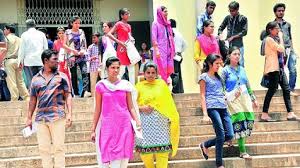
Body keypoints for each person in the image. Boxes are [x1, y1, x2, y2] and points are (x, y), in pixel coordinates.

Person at [91, 57, 141, 168]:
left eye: (118, 67)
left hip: (125, 126)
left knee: (123, 161)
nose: (116, 70)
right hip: (108, 127)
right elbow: (98, 109)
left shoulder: (125, 85)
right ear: (107, 69)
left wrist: (137, 122)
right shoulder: (101, 86)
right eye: (113, 67)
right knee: (112, 159)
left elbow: (131, 107)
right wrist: (93, 129)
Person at [25, 49, 72, 168]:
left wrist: (70, 114)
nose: (58, 62)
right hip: (41, 119)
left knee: (59, 148)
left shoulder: (62, 77)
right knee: (43, 149)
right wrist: (29, 118)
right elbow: (32, 100)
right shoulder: (35, 79)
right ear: (46, 61)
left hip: (58, 117)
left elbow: (68, 95)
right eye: (54, 59)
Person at [135, 62, 180, 168]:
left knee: (163, 153)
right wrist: (142, 108)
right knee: (145, 153)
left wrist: (171, 117)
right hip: (145, 124)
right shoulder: (138, 86)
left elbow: (169, 102)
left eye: (153, 72)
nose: (150, 75)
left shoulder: (161, 84)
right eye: (148, 72)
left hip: (161, 124)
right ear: (144, 74)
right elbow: (131, 104)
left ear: (156, 74)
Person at [222, 46, 258, 159]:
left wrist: (253, 98)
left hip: (244, 98)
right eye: (234, 54)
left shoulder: (242, 69)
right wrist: (225, 96)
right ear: (229, 56)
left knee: (249, 119)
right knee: (240, 121)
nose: (237, 56)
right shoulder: (225, 70)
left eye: (238, 54)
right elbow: (222, 86)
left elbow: (247, 84)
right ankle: (243, 151)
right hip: (233, 99)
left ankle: (229, 135)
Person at [198, 54, 234, 168]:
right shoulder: (204, 77)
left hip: (223, 107)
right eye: (217, 63)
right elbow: (203, 95)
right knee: (221, 134)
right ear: (210, 64)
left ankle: (205, 144)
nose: (219, 66)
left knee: (229, 135)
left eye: (220, 63)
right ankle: (219, 164)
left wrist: (233, 96)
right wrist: (205, 114)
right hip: (212, 108)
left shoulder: (219, 77)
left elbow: (223, 93)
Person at [260, 21, 299, 122]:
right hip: (273, 69)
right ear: (270, 30)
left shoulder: (274, 39)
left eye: (278, 28)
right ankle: (264, 114)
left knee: (286, 89)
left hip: (280, 69)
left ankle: (290, 113)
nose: (278, 30)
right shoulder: (268, 39)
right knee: (272, 90)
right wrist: (281, 37)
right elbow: (281, 49)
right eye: (276, 28)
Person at [273, 3, 298, 96]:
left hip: (289, 49)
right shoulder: (272, 25)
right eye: (279, 11)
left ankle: (290, 89)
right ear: (275, 12)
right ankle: (276, 89)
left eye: (282, 11)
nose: (281, 12)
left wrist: (293, 50)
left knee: (292, 69)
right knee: (278, 71)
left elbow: (290, 38)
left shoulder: (288, 24)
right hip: (278, 50)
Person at [107, 8, 136, 84]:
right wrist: (119, 42)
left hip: (129, 48)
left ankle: (132, 91)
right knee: (121, 69)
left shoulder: (129, 26)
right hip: (121, 49)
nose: (128, 15)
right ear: (122, 15)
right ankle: (114, 86)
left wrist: (132, 41)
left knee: (131, 69)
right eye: (126, 14)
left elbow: (129, 36)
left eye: (128, 14)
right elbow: (109, 34)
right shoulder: (118, 24)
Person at [64, 16, 91, 97]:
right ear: (72, 23)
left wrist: (84, 51)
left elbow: (84, 43)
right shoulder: (67, 32)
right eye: (76, 23)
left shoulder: (82, 31)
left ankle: (85, 91)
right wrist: (72, 51)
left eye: (79, 23)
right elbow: (64, 45)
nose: (77, 25)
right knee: (74, 75)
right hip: (72, 56)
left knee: (84, 72)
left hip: (82, 55)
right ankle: (76, 93)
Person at [18, 19, 48, 88]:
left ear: (27, 26)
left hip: (28, 62)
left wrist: (20, 61)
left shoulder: (24, 35)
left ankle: (33, 96)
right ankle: (43, 96)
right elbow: (46, 49)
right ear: (35, 25)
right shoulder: (41, 34)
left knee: (31, 81)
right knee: (42, 80)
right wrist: (46, 61)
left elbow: (22, 50)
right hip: (40, 61)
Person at [3, 24, 29, 101]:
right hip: (18, 60)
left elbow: (5, 50)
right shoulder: (19, 39)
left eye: (5, 29)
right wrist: (22, 62)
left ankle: (14, 98)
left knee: (11, 81)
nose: (4, 31)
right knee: (20, 81)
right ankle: (26, 97)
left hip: (9, 60)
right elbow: (23, 51)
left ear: (8, 30)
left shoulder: (6, 38)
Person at [218, 1, 248, 67]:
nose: (231, 12)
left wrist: (233, 37)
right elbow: (220, 28)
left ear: (237, 9)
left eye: (232, 11)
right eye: (230, 11)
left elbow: (244, 32)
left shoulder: (243, 18)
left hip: (238, 45)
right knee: (227, 65)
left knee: (240, 64)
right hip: (228, 46)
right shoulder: (228, 18)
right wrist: (220, 34)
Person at [152, 6, 175, 84]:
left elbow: (170, 37)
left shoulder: (167, 23)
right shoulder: (155, 23)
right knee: (161, 69)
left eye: (167, 11)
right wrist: (156, 50)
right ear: (160, 13)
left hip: (169, 50)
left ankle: (165, 84)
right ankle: (162, 85)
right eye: (164, 11)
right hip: (160, 50)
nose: (166, 13)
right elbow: (154, 37)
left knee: (169, 68)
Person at [170, 19, 187, 93]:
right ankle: (180, 90)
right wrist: (180, 51)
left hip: (173, 56)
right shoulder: (179, 34)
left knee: (175, 73)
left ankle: (175, 89)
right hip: (179, 56)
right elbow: (185, 45)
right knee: (178, 73)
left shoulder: (171, 33)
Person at [86, 32, 101, 97]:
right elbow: (87, 57)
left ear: (98, 38)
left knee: (104, 80)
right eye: (93, 38)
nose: (93, 39)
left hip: (101, 66)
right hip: (93, 66)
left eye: (94, 38)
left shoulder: (102, 46)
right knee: (93, 82)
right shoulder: (90, 47)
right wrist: (92, 58)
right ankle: (93, 96)